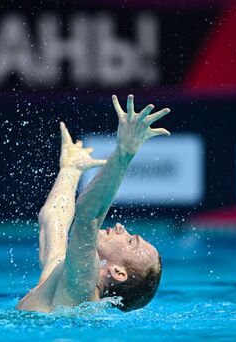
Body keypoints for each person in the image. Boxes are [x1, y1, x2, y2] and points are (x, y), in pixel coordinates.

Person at [16, 94, 171, 313]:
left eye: (129, 241)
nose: (120, 228)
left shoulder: (82, 288)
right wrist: (70, 170)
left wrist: (124, 153)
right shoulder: (65, 275)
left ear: (118, 272)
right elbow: (52, 221)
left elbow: (88, 215)